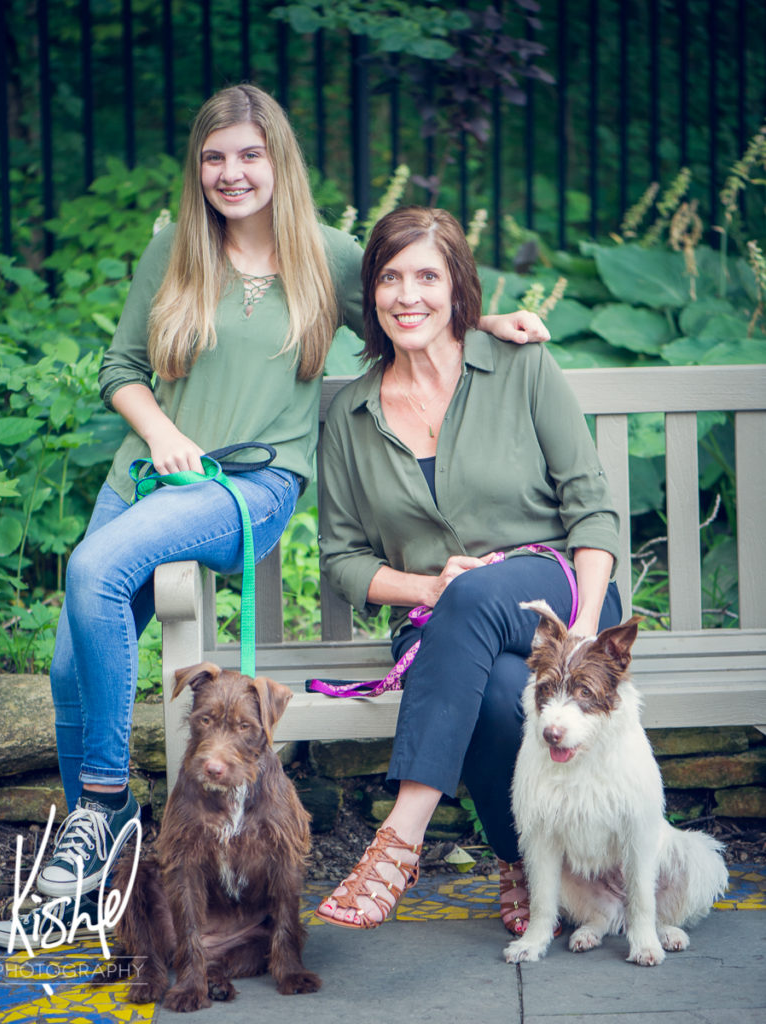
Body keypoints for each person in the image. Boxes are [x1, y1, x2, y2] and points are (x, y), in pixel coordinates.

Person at [0, 88, 548, 949]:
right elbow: (122, 367)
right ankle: (100, 867)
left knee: (93, 570)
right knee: (69, 663)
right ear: (197, 167)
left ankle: (101, 807)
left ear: (278, 159)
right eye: (214, 157)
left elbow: (414, 308)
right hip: (147, 476)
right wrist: (165, 435)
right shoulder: (173, 249)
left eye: (248, 155)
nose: (231, 173)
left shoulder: (324, 255)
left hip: (250, 485)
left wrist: (488, 325)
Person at [314, 206, 621, 934]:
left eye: (427, 276)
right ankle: (523, 865)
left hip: (558, 591)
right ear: (371, 293)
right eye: (389, 277)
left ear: (459, 290)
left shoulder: (520, 367)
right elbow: (343, 559)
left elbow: (593, 508)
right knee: (499, 690)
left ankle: (400, 838)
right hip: (442, 624)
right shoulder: (351, 416)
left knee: (481, 592)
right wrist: (426, 586)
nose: (407, 295)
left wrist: (580, 634)